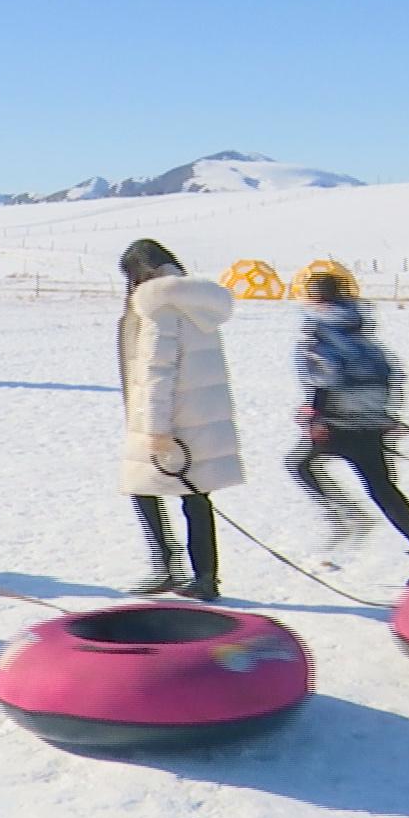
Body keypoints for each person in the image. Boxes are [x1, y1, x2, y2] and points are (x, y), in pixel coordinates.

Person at [288, 272, 409, 584]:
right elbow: (391, 372)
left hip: (337, 423)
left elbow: (325, 376)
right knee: (383, 489)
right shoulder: (359, 329)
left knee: (300, 465)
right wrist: (386, 414)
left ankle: (345, 514)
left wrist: (315, 416)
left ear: (315, 298)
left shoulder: (319, 331)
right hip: (372, 422)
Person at [116, 239, 244, 600]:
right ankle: (205, 577)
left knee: (141, 487)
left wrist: (156, 430)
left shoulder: (159, 307)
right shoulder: (197, 302)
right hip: (201, 417)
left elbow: (159, 371)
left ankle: (167, 567)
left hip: (168, 420)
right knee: (196, 496)